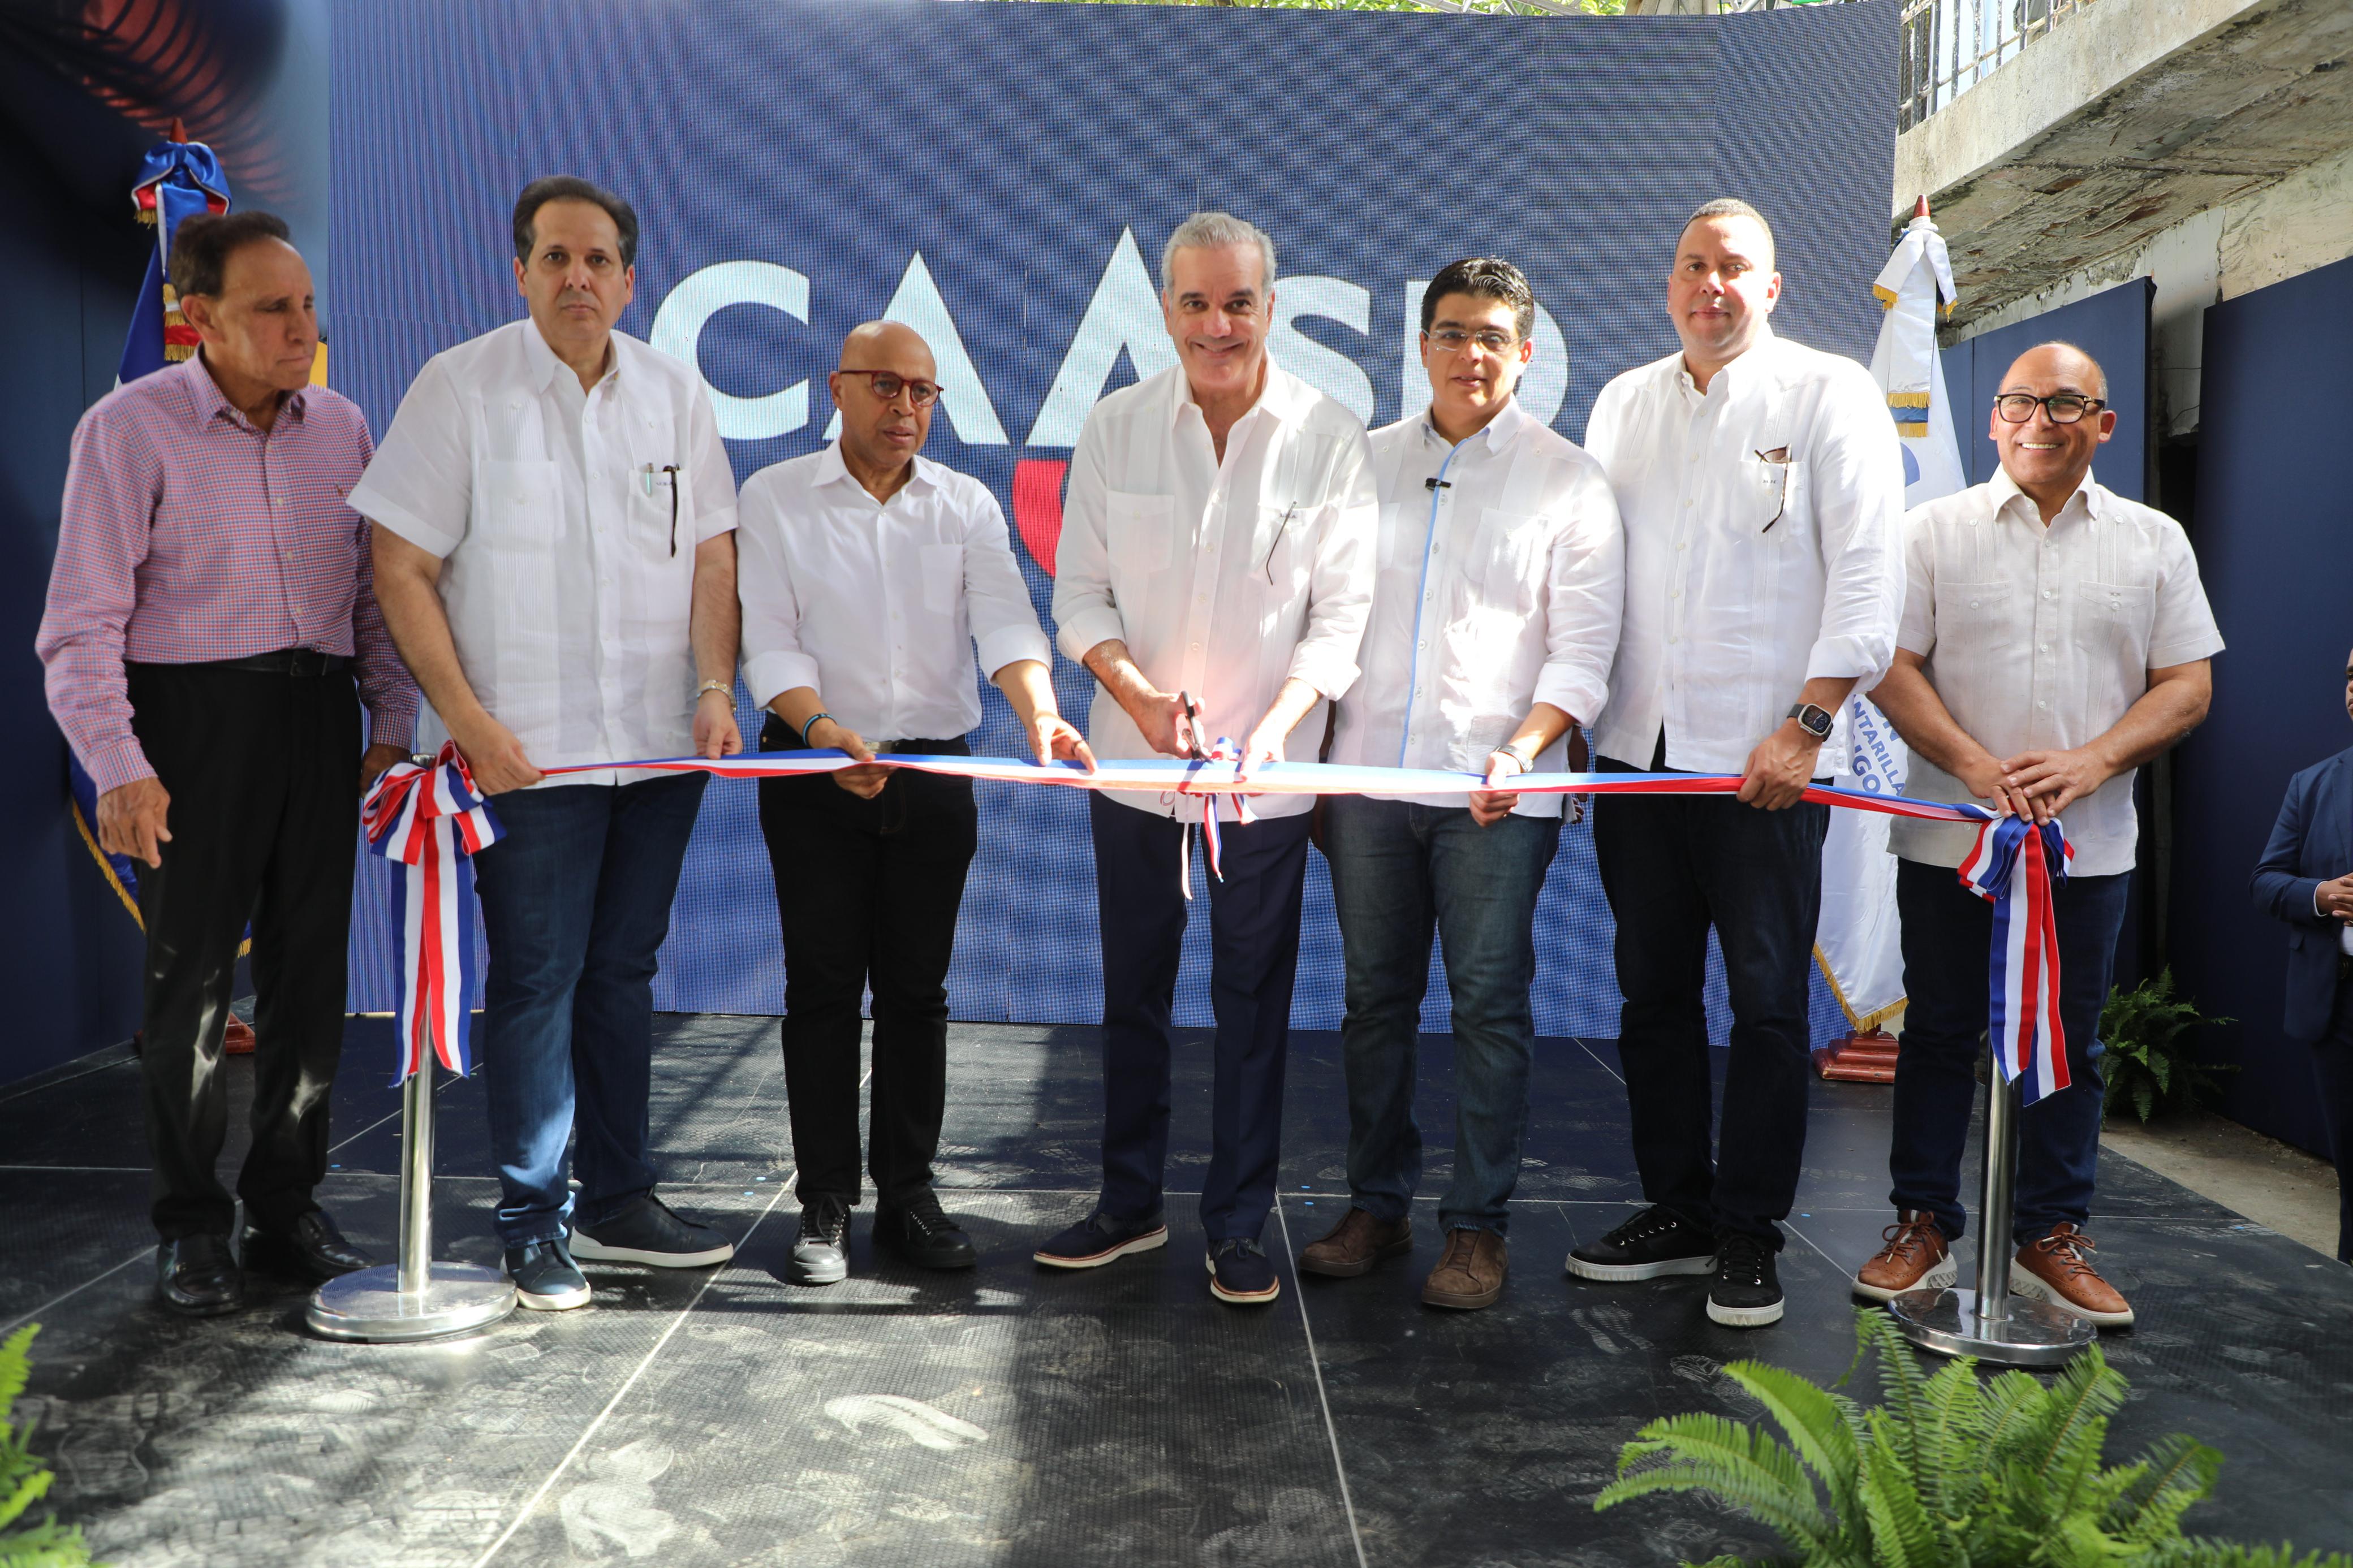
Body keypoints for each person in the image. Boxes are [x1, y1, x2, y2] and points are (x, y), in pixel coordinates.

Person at [354, 176, 743, 1311]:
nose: (580, 277)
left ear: (630, 279)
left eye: (599, 259)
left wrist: (715, 685)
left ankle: (620, 1201)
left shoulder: (674, 391)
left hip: (660, 749)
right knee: (537, 982)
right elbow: (399, 565)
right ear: (521, 270)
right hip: (525, 757)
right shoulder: (461, 386)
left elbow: (712, 555)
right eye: (557, 257)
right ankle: (534, 1222)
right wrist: (471, 724)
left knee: (623, 974)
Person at [36, 211, 415, 1316]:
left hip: (319, 719)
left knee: (311, 979)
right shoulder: (129, 430)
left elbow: (374, 596)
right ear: (197, 316)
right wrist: (120, 764)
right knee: (192, 986)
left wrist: (390, 722)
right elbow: (80, 626)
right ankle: (191, 1226)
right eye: (272, 310)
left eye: (307, 305)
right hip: (189, 725)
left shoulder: (341, 426)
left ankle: (286, 1205)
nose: (303, 329)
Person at [1569, 198, 1904, 1328]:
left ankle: (1750, 1232)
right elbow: (1590, 573)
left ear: (1770, 285)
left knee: (1765, 1006)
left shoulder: (1827, 393)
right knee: (1652, 995)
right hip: (1637, 756)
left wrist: (1807, 724)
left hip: (1767, 764)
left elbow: (1869, 573)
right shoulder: (1622, 402)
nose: (1709, 285)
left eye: (1733, 267)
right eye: (1691, 266)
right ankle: (1679, 1208)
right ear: (1669, 285)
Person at [1043, 211, 1376, 1306]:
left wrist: (1278, 728)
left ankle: (1237, 1223)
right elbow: (1079, 598)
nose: (1218, 325)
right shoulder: (1115, 426)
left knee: (1253, 1009)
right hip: (1134, 771)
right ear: (1166, 310)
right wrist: (1136, 697)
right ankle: (1128, 1204)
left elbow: (1341, 621)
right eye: (1196, 303)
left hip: (1265, 788)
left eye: (1238, 303)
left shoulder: (1329, 434)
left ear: (1270, 307)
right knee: (1132, 996)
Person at [1855, 343, 2221, 1327]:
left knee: (2071, 1040)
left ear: (2104, 423)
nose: (2040, 421)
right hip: (1954, 840)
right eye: (2020, 401)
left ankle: (2049, 1233)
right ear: (1993, 420)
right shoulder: (1931, 532)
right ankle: (1923, 1222)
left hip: (2084, 846)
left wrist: (2094, 761)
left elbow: (2188, 684)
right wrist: (1976, 765)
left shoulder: (2154, 542)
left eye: (2067, 403)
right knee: (1938, 1031)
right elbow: (1890, 666)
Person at [737, 321, 1093, 1286]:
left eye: (923, 392)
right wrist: (824, 733)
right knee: (820, 989)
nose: (906, 408)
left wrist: (1043, 714)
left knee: (917, 992)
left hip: (933, 773)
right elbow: (768, 642)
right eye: (886, 386)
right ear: (839, 388)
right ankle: (823, 1199)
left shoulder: (965, 502)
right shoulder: (774, 496)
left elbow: (1006, 623)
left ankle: (908, 1193)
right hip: (812, 765)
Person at [1303, 258, 1623, 1310]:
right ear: (1422, 346)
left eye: (1491, 337)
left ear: (1525, 354)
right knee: (1372, 1002)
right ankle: (1376, 1205)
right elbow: (1324, 621)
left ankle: (1478, 1228)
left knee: (1489, 1005)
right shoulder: (1364, 461)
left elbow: (1584, 655)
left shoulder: (1570, 479)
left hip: (1499, 796)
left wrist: (1523, 750)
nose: (1470, 354)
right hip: (1367, 787)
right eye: (1451, 333)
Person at [2249, 651, 2353, 1263]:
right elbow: (2264, 881)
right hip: (2337, 1004)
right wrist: (2320, 895)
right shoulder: (2312, 784)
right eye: (2350, 676)